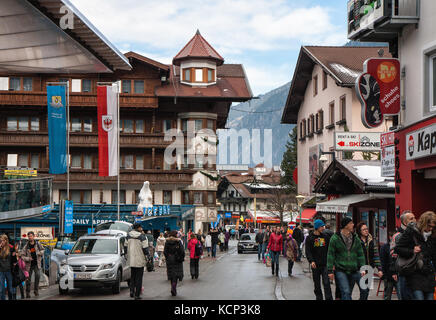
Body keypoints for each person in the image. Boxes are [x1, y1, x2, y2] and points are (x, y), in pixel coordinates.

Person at [395, 211, 436, 300]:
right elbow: (398, 249)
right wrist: (412, 250)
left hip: (429, 274)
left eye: (433, 227)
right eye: (429, 226)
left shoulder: (433, 236)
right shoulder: (411, 231)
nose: (430, 229)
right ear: (423, 223)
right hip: (415, 272)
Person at [327, 217, 366, 300]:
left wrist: (363, 268)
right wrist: (330, 270)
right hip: (340, 270)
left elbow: (360, 254)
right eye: (351, 223)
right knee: (346, 291)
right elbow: (330, 254)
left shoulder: (356, 239)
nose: (353, 224)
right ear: (345, 225)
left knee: (362, 289)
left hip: (353, 269)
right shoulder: (335, 238)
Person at [305, 219, 333, 300]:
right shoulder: (309, 238)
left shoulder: (326, 237)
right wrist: (311, 261)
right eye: (321, 226)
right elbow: (308, 251)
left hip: (325, 264)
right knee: (317, 285)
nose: (323, 228)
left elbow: (329, 250)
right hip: (315, 265)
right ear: (317, 227)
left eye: (323, 226)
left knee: (326, 283)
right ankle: (319, 298)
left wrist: (331, 262)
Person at [392, 210, 416, 300]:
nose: (414, 220)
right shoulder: (398, 236)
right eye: (411, 219)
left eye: (414, 218)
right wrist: (393, 271)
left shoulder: (417, 233)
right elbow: (393, 254)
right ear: (405, 223)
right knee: (405, 295)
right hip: (403, 269)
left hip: (415, 270)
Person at [356, 222, 383, 300]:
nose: (366, 231)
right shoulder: (356, 241)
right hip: (360, 269)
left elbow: (376, 255)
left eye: (366, 229)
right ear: (359, 231)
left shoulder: (371, 241)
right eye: (364, 229)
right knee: (363, 290)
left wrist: (379, 269)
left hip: (369, 268)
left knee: (366, 290)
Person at [126, 223, 149, 300]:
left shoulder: (128, 236)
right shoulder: (142, 237)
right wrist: (148, 257)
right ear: (138, 228)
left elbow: (125, 247)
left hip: (131, 259)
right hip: (139, 259)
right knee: (139, 278)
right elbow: (145, 249)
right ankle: (137, 295)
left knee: (133, 277)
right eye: (141, 227)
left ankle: (131, 292)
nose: (141, 228)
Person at [21, 231, 44, 298]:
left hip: (37, 264)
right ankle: (27, 293)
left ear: (34, 236)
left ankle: (36, 291)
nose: (30, 237)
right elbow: (22, 256)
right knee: (28, 279)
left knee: (38, 276)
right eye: (29, 236)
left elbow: (43, 250)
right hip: (29, 265)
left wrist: (39, 253)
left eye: (31, 236)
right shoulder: (26, 246)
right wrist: (28, 258)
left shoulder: (37, 243)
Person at [164, 230, 185, 296]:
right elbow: (182, 251)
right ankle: (174, 287)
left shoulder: (167, 242)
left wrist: (167, 257)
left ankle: (172, 287)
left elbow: (165, 251)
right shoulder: (178, 241)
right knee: (176, 274)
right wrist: (181, 258)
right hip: (177, 259)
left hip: (170, 259)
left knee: (171, 273)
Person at [380, 232, 399, 300]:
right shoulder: (385, 247)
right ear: (390, 237)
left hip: (398, 274)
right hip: (388, 275)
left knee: (401, 294)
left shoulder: (399, 246)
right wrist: (384, 274)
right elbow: (383, 262)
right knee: (387, 295)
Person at [0, 234, 17, 300]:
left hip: (9, 271)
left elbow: (14, 261)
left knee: (10, 290)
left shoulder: (11, 248)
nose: (1, 242)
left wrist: (14, 255)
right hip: (1, 271)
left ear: (6, 240)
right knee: (1, 289)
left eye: (3, 241)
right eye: (0, 241)